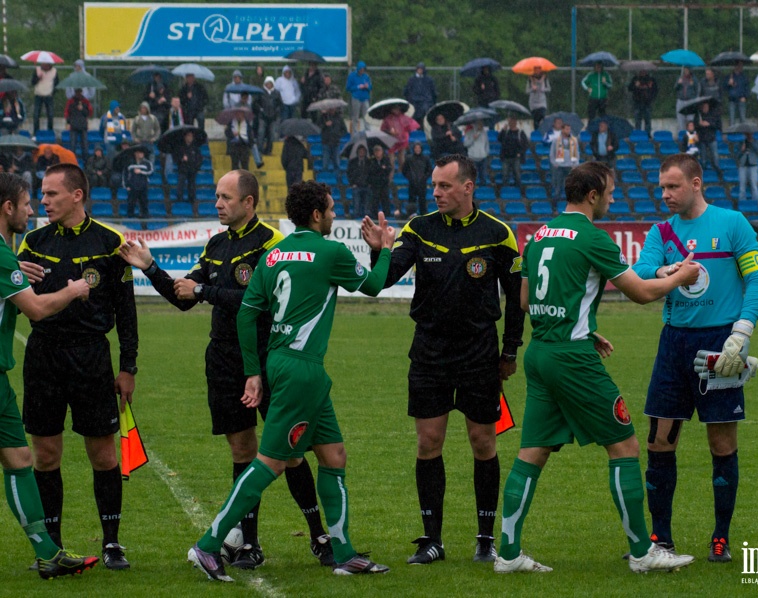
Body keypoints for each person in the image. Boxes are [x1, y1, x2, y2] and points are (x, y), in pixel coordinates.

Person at [118, 170, 334, 570]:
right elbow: (185, 297)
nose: (217, 203)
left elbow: (263, 302)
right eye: (216, 196)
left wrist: (206, 292)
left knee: (289, 452)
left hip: (268, 359)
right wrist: (150, 268)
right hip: (223, 360)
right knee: (241, 450)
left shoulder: (273, 244)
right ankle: (249, 544)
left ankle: (319, 536)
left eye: (225, 197)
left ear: (248, 203)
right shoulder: (217, 244)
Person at [494, 161, 699, 574]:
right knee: (624, 446)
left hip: (542, 352)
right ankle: (643, 553)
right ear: (592, 195)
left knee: (531, 453)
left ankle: (509, 553)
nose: (612, 198)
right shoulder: (592, 238)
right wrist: (681, 277)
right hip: (572, 360)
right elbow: (641, 293)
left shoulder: (538, 236)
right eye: (609, 192)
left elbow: (523, 302)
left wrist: (584, 328)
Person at [186, 180, 396, 581]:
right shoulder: (330, 250)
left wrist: (253, 371)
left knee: (333, 456)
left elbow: (247, 314)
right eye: (331, 210)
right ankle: (208, 545)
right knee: (271, 463)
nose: (334, 216)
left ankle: (345, 552)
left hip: (282, 362)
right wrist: (384, 248)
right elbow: (373, 285)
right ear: (317, 214)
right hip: (302, 368)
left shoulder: (273, 254)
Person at [373, 154, 525, 565]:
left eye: (444, 186)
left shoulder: (498, 233)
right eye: (434, 187)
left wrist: (510, 350)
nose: (436, 192)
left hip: (479, 353)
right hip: (429, 352)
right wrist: (380, 252)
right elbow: (384, 279)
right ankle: (431, 540)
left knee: (483, 441)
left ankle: (485, 538)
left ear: (467, 187)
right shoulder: (418, 229)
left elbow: (516, 299)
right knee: (429, 442)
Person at [632, 153, 758, 563]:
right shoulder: (661, 231)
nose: (666, 195)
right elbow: (641, 271)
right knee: (659, 442)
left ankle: (720, 538)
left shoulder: (732, 224)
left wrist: (741, 333)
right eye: (662, 187)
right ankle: (662, 538)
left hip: (719, 343)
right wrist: (668, 272)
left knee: (721, 441)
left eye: (673, 186)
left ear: (696, 183)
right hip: (673, 344)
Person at [18, 162, 139, 570]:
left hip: (91, 357)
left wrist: (128, 368)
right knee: (46, 453)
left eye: (51, 194)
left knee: (104, 454)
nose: (43, 201)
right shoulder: (32, 242)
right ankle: (52, 544)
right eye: (41, 193)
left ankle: (111, 543)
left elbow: (127, 311)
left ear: (76, 196)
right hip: (44, 355)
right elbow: (14, 297)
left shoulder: (110, 242)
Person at [0, 172, 99, 579]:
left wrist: (13, 268)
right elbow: (37, 310)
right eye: (26, 202)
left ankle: (48, 553)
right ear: (8, 208)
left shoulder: (5, 256)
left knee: (20, 458)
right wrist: (75, 290)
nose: (32, 209)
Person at [381, 105, 419, 169]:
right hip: (391, 140)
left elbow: (409, 128)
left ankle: (402, 171)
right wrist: (390, 132)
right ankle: (391, 172)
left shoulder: (404, 117)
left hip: (402, 139)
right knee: (391, 157)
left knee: (401, 156)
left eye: (397, 108)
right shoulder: (387, 119)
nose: (396, 110)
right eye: (394, 108)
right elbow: (383, 129)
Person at [549, 123, 579, 201]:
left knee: (571, 186)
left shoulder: (574, 140)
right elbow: (552, 153)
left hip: (570, 166)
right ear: (562, 130)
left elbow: (577, 152)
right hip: (560, 166)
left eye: (569, 129)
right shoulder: (556, 140)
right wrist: (554, 163)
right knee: (558, 186)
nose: (568, 131)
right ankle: (554, 206)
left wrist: (575, 164)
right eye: (566, 129)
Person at [174, 130, 203, 210]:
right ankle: (179, 198)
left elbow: (199, 159)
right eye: (188, 136)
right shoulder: (180, 147)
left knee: (192, 184)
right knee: (181, 183)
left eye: (191, 136)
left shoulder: (195, 148)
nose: (190, 138)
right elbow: (176, 158)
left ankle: (191, 198)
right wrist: (181, 159)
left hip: (192, 169)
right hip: (183, 169)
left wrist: (195, 166)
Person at [498, 116, 528, 188]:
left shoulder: (520, 132)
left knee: (517, 174)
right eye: (510, 121)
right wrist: (503, 130)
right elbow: (499, 139)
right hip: (506, 157)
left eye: (513, 121)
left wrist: (520, 153)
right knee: (505, 174)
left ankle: (518, 188)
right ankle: (505, 189)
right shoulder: (506, 132)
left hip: (516, 157)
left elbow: (525, 144)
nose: (511, 123)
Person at [695, 101, 723, 179]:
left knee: (715, 156)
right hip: (702, 139)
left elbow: (718, 125)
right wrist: (699, 124)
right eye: (703, 107)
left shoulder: (713, 115)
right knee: (703, 157)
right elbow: (695, 126)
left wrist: (709, 124)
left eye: (706, 106)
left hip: (711, 138)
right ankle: (703, 172)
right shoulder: (698, 115)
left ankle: (718, 171)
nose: (705, 108)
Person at [402, 142, 431, 216]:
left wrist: (424, 178)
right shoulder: (409, 158)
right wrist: (410, 178)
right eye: (416, 148)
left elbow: (429, 170)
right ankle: (411, 215)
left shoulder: (425, 158)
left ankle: (423, 215)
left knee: (422, 201)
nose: (417, 149)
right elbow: (404, 170)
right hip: (412, 183)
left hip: (422, 183)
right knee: (411, 201)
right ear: (413, 149)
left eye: (419, 148)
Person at [404, 62, 437, 128]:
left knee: (425, 110)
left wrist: (432, 100)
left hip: (426, 101)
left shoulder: (428, 79)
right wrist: (410, 99)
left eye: (421, 69)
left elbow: (433, 91)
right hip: (414, 101)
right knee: (414, 113)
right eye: (419, 69)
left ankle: (424, 128)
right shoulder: (412, 79)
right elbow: (407, 91)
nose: (420, 71)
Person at [125, 148, 153, 222]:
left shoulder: (147, 163)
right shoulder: (130, 163)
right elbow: (125, 175)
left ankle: (145, 217)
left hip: (143, 186)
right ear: (135, 154)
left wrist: (141, 171)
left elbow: (151, 172)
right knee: (131, 202)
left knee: (144, 202)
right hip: (133, 186)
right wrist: (127, 185)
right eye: (138, 153)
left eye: (141, 153)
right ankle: (130, 217)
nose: (140, 154)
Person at [64, 89, 92, 163]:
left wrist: (82, 109)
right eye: (77, 92)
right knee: (72, 146)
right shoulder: (71, 101)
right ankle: (72, 161)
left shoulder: (85, 101)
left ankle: (86, 162)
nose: (78, 94)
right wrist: (69, 121)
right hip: (74, 126)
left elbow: (89, 113)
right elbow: (67, 113)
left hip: (83, 126)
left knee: (85, 146)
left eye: (79, 92)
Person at [735, 133, 758, 206]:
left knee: (754, 185)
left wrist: (752, 143)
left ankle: (756, 203)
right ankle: (742, 202)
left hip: (753, 165)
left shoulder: (756, 142)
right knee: (742, 186)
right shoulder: (741, 143)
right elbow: (737, 155)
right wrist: (742, 150)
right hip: (743, 166)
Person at [256, 77, 282, 156]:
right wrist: (260, 109)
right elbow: (256, 103)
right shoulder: (260, 92)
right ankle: (259, 150)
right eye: (267, 83)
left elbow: (280, 104)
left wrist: (276, 111)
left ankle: (268, 150)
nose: (269, 85)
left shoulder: (277, 93)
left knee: (271, 135)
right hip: (262, 117)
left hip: (273, 117)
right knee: (261, 133)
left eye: (270, 83)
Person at [31, 62, 58, 134]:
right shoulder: (37, 70)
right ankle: (35, 132)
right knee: (36, 115)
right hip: (38, 95)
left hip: (49, 96)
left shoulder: (54, 71)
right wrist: (38, 78)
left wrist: (53, 92)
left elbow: (57, 83)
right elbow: (32, 82)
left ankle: (50, 131)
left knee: (50, 115)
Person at [628, 69, 658, 133]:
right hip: (637, 102)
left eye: (644, 71)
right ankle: (638, 134)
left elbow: (655, 90)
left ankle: (647, 135)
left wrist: (651, 97)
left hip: (647, 103)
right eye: (641, 71)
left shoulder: (651, 79)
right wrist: (635, 86)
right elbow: (630, 88)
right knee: (637, 120)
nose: (642, 72)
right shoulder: (635, 79)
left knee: (647, 120)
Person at [367, 144, 393, 217]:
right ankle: (374, 215)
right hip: (375, 184)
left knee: (385, 200)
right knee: (375, 200)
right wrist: (381, 168)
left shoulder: (386, 160)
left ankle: (387, 215)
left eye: (379, 151)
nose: (377, 153)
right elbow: (371, 171)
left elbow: (388, 169)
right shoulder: (371, 161)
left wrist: (381, 169)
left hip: (384, 183)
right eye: (376, 152)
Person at [346, 61, 372, 133]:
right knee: (355, 116)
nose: (362, 70)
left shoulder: (366, 76)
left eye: (363, 69)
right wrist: (358, 87)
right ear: (358, 68)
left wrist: (367, 87)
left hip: (365, 98)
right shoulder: (352, 76)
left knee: (366, 116)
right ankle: (354, 131)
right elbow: (348, 88)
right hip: (356, 98)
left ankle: (368, 131)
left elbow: (370, 87)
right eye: (361, 69)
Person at [463, 119, 490, 186]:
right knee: (472, 177)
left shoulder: (484, 133)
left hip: (483, 158)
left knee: (483, 177)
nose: (480, 125)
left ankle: (483, 192)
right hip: (472, 157)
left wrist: (486, 153)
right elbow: (465, 144)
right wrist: (473, 138)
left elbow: (487, 144)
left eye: (481, 123)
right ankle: (473, 194)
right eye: (479, 123)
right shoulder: (469, 132)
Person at [320, 107, 346, 173]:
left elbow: (344, 130)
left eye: (333, 107)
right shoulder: (323, 117)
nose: (332, 109)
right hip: (326, 143)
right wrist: (325, 125)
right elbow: (318, 128)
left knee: (337, 164)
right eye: (330, 108)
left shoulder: (339, 118)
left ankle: (337, 181)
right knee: (325, 165)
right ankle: (325, 180)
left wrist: (338, 135)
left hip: (336, 143)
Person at [347, 144, 370, 218]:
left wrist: (370, 183)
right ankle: (356, 218)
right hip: (356, 185)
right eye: (360, 151)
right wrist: (352, 183)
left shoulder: (369, 162)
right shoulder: (353, 162)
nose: (361, 152)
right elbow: (349, 173)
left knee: (367, 206)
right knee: (356, 205)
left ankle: (366, 219)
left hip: (367, 186)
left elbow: (372, 173)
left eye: (363, 151)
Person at [724, 62, 749, 127]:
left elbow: (747, 88)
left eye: (741, 66)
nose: (741, 67)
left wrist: (745, 97)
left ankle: (743, 134)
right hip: (732, 100)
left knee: (742, 119)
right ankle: (732, 134)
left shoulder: (744, 77)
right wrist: (728, 83)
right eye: (739, 66)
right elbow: (725, 88)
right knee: (732, 119)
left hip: (741, 99)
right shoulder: (729, 77)